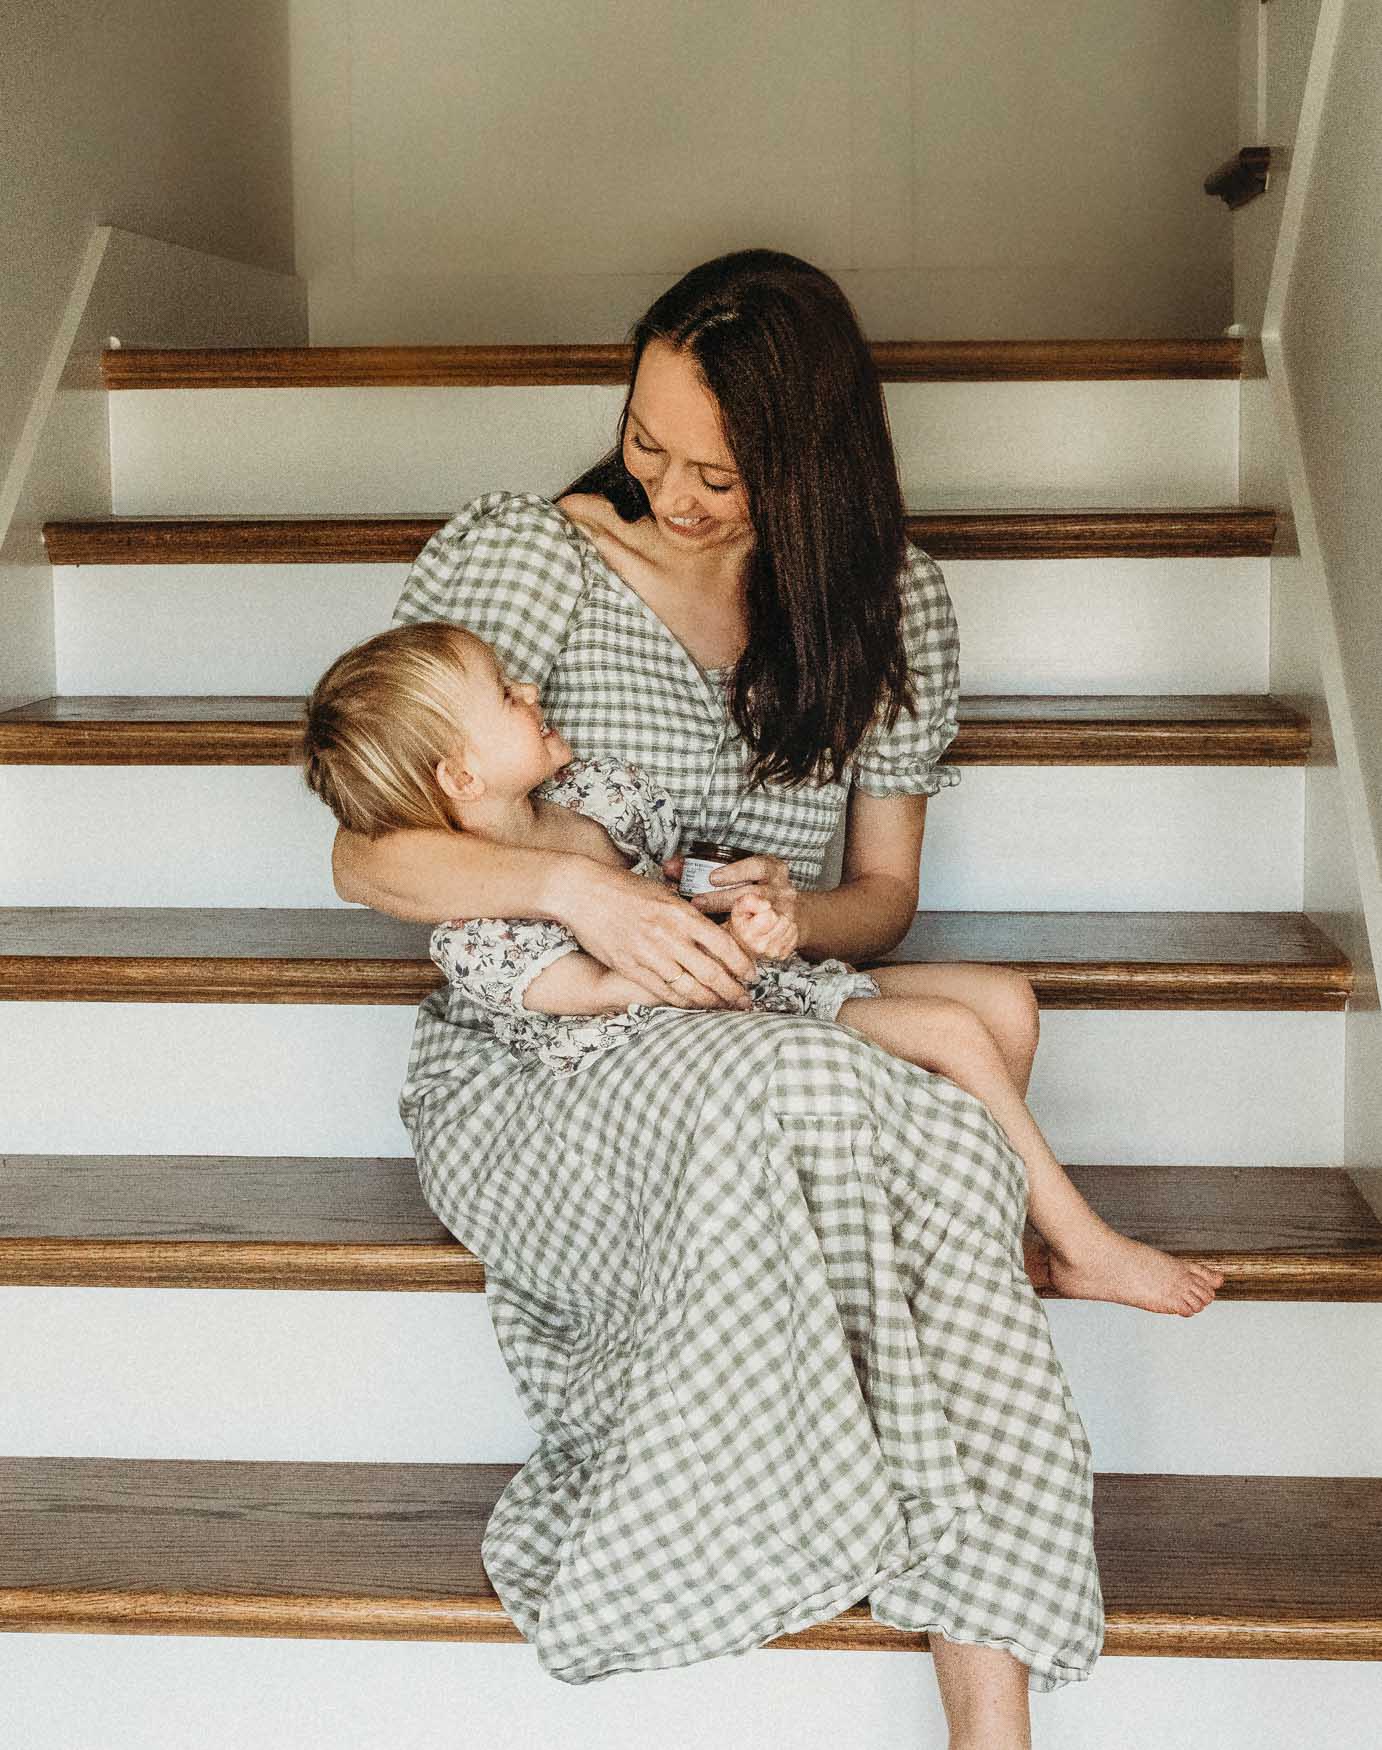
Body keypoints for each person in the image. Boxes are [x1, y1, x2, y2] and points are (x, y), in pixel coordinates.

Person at [332, 248, 1117, 1744]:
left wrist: (780, 909)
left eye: (721, 471)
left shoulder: (892, 605)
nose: (672, 495)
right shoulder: (525, 558)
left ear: (813, 462)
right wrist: (579, 890)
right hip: (553, 1060)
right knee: (899, 1110)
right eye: (646, 445)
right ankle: (916, 1648)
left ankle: (979, 1685)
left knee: (971, 1058)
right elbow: (369, 855)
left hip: (750, 996)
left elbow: (880, 904)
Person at [307, 617, 1224, 1320]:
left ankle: (960, 1245)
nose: (531, 690)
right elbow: (584, 993)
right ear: (460, 776)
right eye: (506, 696)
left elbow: (677, 875)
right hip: (681, 1031)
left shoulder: (589, 796)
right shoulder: (473, 926)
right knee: (948, 1032)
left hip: (751, 982)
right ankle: (1080, 1243)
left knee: (1006, 1005)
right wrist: (688, 953)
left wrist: (750, 895)